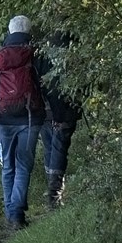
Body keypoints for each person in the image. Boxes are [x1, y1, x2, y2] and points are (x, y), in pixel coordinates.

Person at [0, 14, 46, 230]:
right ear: (28, 31)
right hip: (30, 118)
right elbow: (48, 87)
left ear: (9, 31)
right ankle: (16, 214)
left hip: (4, 119)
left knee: (8, 166)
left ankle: (11, 213)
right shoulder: (35, 55)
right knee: (23, 165)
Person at [40, 35, 83, 208]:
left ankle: (52, 189)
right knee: (59, 150)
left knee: (50, 148)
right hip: (65, 111)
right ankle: (54, 195)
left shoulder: (43, 51)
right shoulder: (74, 50)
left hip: (44, 110)